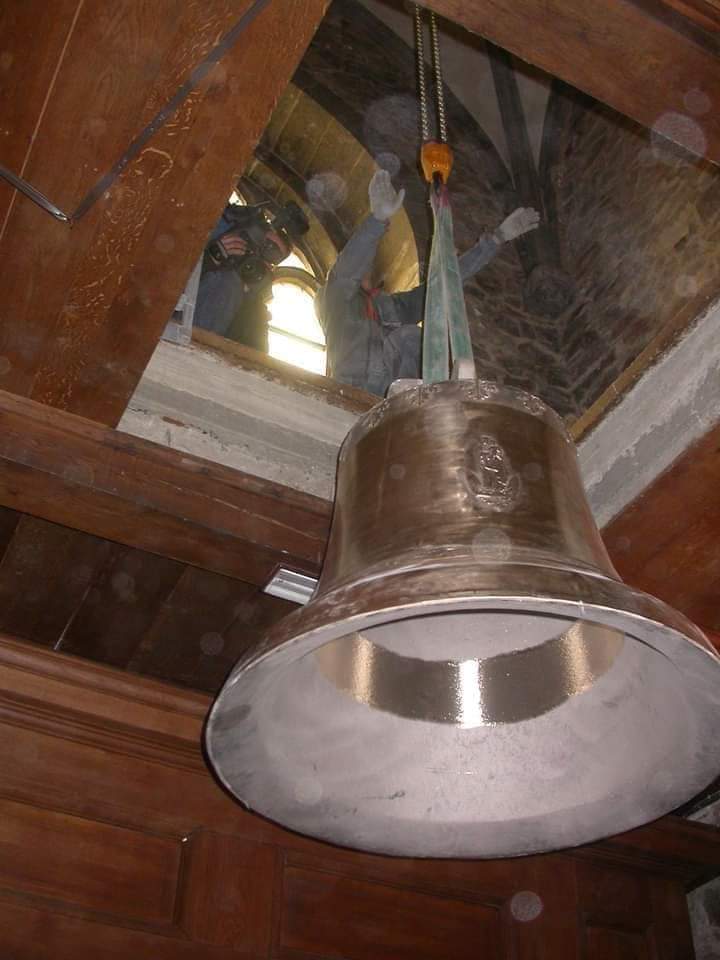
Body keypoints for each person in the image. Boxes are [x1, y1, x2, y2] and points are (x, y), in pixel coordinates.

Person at [315, 170, 540, 396]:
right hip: (354, 391)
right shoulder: (334, 299)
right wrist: (377, 220)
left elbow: (443, 287)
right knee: (408, 338)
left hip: (399, 393)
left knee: (415, 338)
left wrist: (496, 239)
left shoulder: (392, 307)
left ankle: (432, 398)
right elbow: (344, 273)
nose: (365, 264)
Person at [193, 204, 290, 352]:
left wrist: (253, 300)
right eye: (263, 245)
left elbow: (256, 356)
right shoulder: (206, 239)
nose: (259, 256)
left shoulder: (255, 310)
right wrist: (209, 258)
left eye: (270, 258)